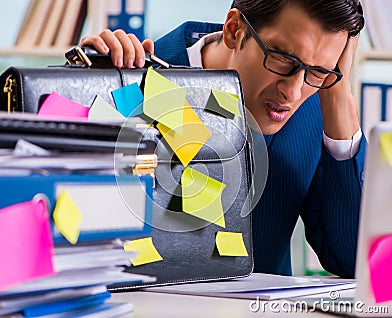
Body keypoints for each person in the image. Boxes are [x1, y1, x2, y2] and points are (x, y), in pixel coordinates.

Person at [81, 0, 365, 278]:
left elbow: (352, 262)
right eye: (283, 58)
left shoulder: (314, 105)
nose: (292, 92)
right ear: (233, 29)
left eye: (318, 71)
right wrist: (85, 85)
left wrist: (339, 96)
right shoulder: (131, 80)